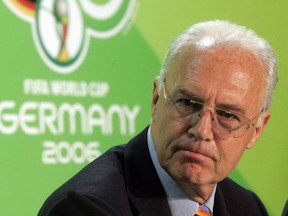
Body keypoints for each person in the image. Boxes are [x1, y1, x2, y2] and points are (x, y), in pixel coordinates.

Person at [38, 20, 278, 216]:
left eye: (227, 115)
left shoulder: (247, 207)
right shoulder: (87, 209)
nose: (202, 130)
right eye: (187, 102)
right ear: (156, 100)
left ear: (256, 130)